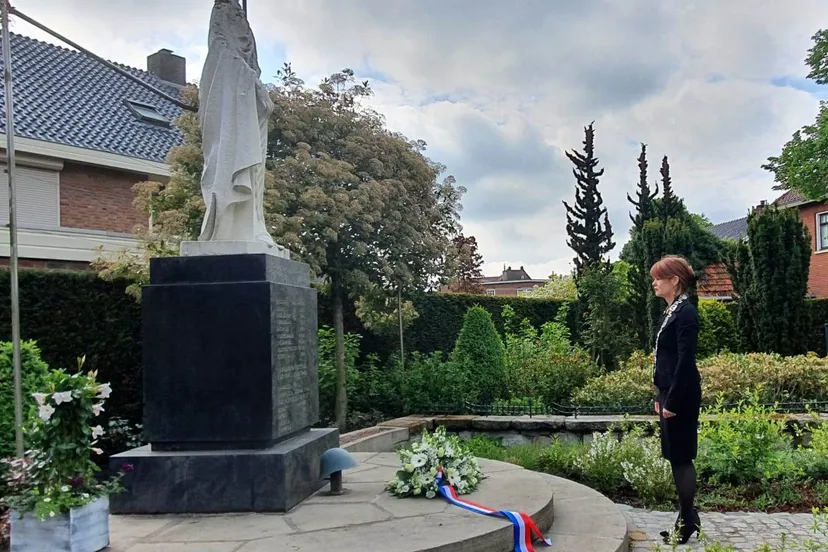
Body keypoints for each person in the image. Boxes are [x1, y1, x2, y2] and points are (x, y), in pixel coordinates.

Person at [651, 255, 702, 545]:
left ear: (675, 280)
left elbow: (685, 361)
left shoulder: (686, 313)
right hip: (669, 391)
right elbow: (664, 358)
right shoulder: (671, 311)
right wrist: (659, 394)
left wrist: (672, 400)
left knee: (682, 457)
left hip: (681, 393)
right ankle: (689, 517)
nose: (655, 283)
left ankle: (685, 523)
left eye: (659, 278)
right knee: (674, 456)